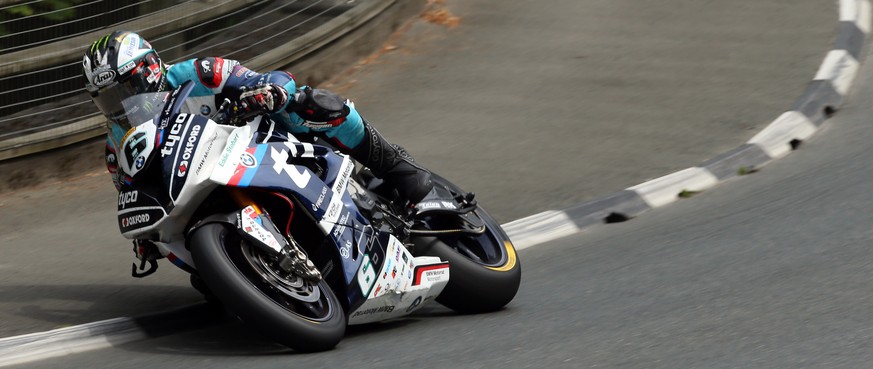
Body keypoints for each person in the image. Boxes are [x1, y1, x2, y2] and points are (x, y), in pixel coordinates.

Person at [82, 30, 433, 204]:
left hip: (257, 139)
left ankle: (394, 165)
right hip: (202, 188)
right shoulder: (118, 142)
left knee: (310, 103)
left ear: (150, 68)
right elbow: (131, 194)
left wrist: (269, 91)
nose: (124, 103)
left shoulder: (195, 73)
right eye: (110, 98)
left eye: (127, 89)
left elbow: (259, 77)